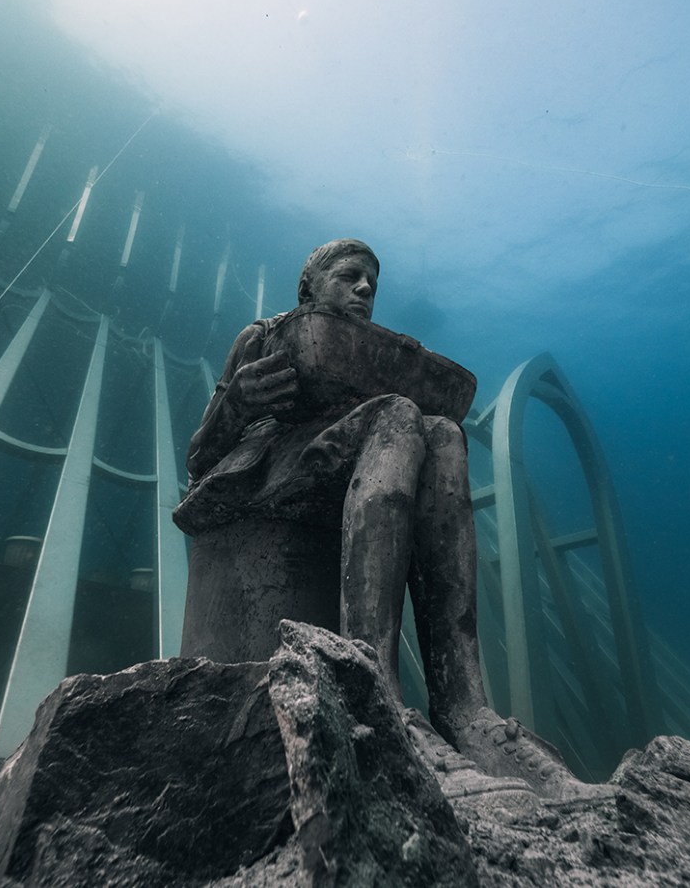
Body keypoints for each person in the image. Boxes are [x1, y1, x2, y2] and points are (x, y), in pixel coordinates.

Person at [175, 239, 604, 800]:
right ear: (309, 285)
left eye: (371, 284)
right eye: (350, 276)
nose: (364, 290)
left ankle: (464, 709)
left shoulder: (369, 349)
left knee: (446, 435)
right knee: (399, 413)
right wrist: (239, 401)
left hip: (332, 452)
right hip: (263, 471)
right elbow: (198, 456)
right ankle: (371, 689)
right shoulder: (262, 336)